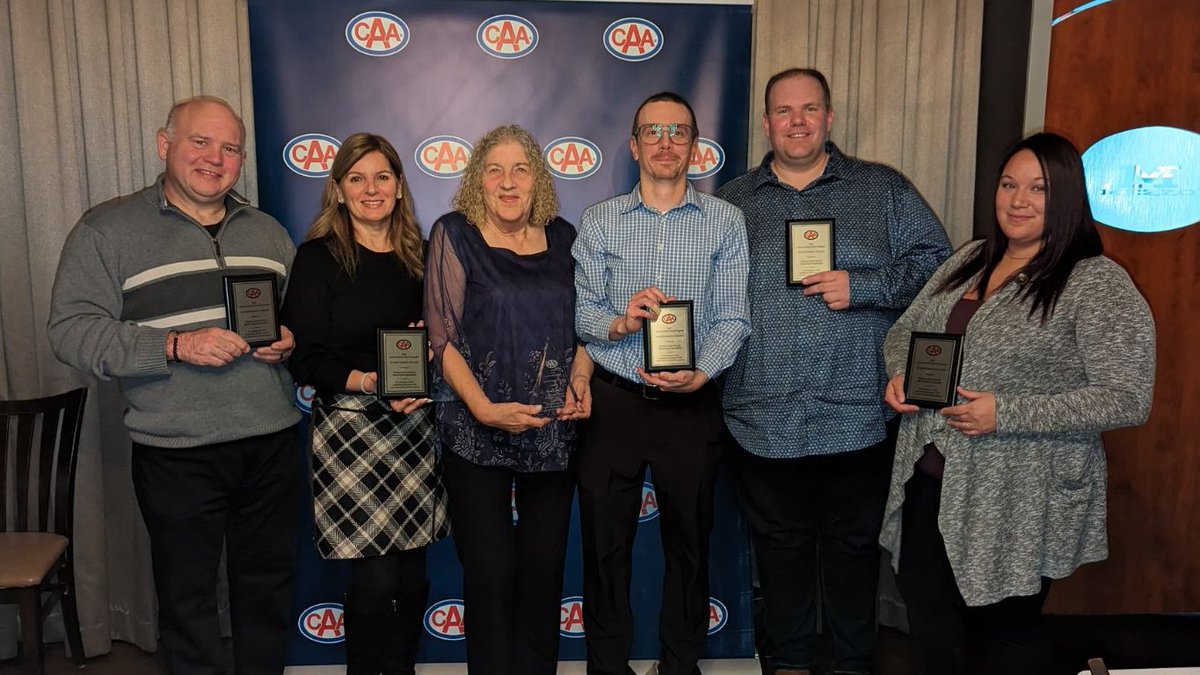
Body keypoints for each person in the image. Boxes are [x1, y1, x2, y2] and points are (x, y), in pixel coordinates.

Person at [880, 132, 1155, 675]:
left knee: (1005, 633)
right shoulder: (969, 259)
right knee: (931, 621)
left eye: (1039, 188)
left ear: (1069, 198)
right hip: (929, 479)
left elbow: (1129, 398)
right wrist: (898, 373)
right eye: (1009, 185)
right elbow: (904, 330)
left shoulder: (1095, 282)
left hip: (1017, 493)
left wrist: (1006, 412)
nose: (1018, 200)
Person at [47, 95, 299, 675]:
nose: (215, 158)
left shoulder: (267, 231)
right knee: (187, 603)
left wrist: (292, 339)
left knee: (267, 593)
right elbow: (70, 332)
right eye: (200, 142)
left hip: (270, 442)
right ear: (165, 145)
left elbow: (303, 322)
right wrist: (174, 345)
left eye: (230, 147)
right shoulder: (107, 230)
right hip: (176, 450)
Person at [714, 68, 952, 675]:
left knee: (851, 556)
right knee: (779, 554)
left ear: (829, 117)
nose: (797, 120)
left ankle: (852, 664)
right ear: (766, 124)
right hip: (760, 417)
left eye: (809, 108)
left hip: (857, 417)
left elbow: (939, 271)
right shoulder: (732, 203)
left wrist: (865, 285)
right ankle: (789, 663)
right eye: (785, 110)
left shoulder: (883, 191)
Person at [573, 91, 751, 675]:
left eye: (678, 132)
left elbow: (733, 317)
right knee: (605, 548)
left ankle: (680, 665)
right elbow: (582, 314)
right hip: (615, 403)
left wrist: (704, 372)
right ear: (633, 145)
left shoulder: (725, 220)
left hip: (691, 406)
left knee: (689, 547)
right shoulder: (599, 221)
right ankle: (607, 666)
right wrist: (621, 321)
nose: (666, 143)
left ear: (695, 147)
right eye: (653, 131)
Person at [424, 125, 592, 675]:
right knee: (491, 571)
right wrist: (482, 407)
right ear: (478, 179)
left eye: (521, 168)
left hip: (551, 427)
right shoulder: (455, 233)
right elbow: (440, 334)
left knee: (543, 572)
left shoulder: (566, 237)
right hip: (477, 427)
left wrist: (581, 378)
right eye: (494, 169)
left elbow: (586, 325)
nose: (508, 180)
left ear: (537, 177)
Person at [282, 133, 450, 675]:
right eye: (356, 178)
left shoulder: (420, 257)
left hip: (413, 430)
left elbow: (444, 341)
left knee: (413, 576)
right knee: (375, 581)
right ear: (338, 190)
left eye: (381, 177)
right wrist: (364, 380)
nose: (370, 189)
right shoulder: (317, 259)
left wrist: (431, 345)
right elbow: (303, 357)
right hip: (351, 432)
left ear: (400, 187)